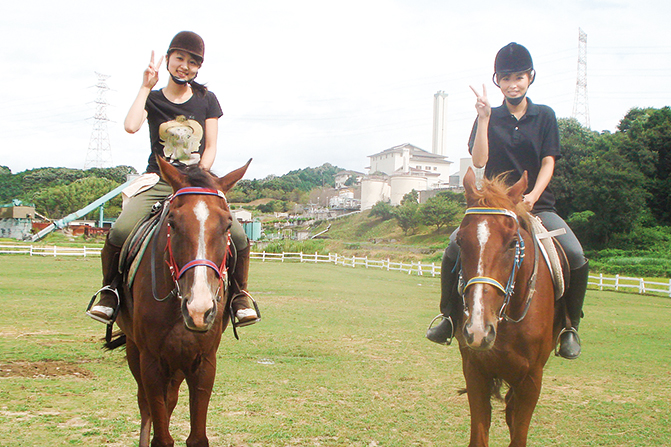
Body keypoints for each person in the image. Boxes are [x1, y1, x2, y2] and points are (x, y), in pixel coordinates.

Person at [426, 42, 588, 359]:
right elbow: (479, 161)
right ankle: (447, 317)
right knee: (454, 246)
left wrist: (532, 196)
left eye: (519, 77)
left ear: (530, 77)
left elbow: (548, 162)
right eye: (505, 77)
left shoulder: (545, 116)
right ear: (497, 80)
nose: (512, 83)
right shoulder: (490, 116)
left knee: (575, 253)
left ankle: (570, 326)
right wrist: (484, 119)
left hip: (536, 206)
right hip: (493, 207)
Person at [87, 31, 259, 330]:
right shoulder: (153, 99)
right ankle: (110, 291)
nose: (185, 66)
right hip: (160, 178)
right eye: (180, 58)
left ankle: (239, 296)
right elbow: (130, 126)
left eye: (193, 62)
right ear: (168, 59)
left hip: (198, 183)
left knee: (240, 237)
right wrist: (145, 86)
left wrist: (201, 177)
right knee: (121, 228)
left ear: (198, 68)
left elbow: (211, 147)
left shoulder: (207, 99)